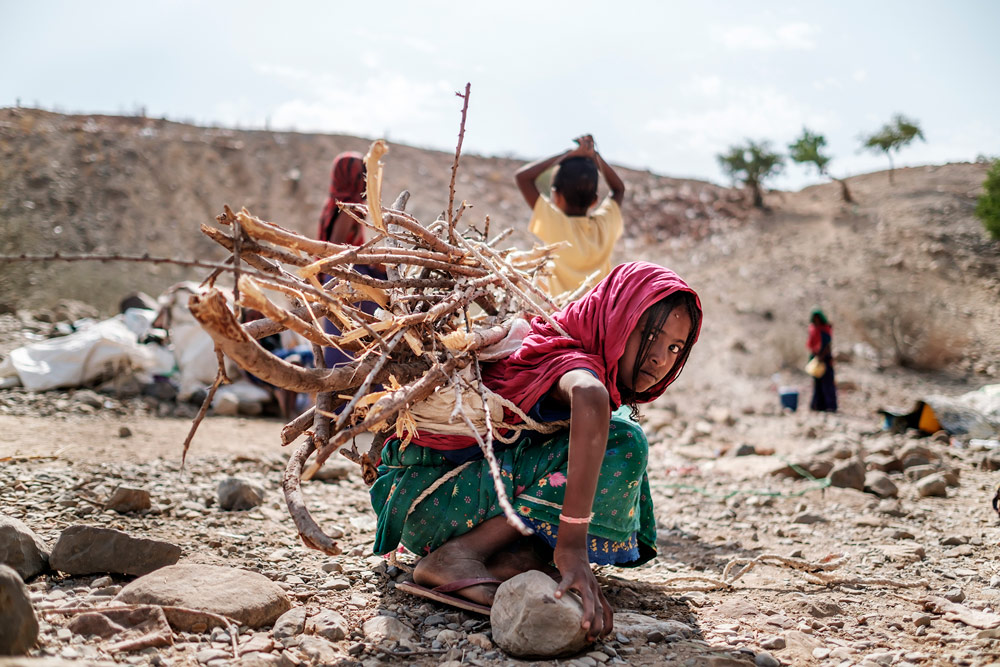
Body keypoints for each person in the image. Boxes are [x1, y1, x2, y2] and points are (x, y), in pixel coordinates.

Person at [369, 262, 702, 640]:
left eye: (674, 347)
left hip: (433, 501)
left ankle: (515, 556)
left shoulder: (562, 340)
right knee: (622, 442)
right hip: (435, 502)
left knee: (609, 434)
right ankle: (457, 556)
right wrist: (573, 547)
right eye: (651, 335)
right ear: (618, 317)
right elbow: (589, 394)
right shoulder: (572, 357)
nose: (660, 358)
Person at [514, 135, 626, 296]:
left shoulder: (554, 223)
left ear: (556, 196)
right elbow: (619, 189)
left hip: (562, 317)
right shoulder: (604, 226)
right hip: (598, 319)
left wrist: (567, 154)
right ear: (595, 200)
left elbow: (523, 178)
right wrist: (595, 156)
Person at [316, 151, 387, 368]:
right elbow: (337, 250)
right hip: (345, 279)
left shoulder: (336, 204)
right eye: (362, 175)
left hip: (340, 277)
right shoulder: (348, 208)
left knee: (346, 342)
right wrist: (371, 263)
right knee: (353, 343)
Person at [807, 309, 837, 412]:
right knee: (817, 384)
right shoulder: (812, 329)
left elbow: (828, 345)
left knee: (828, 383)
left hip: (825, 359)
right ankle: (818, 406)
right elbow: (811, 345)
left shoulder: (825, 329)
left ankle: (830, 406)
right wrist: (816, 356)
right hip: (816, 359)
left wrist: (822, 356)